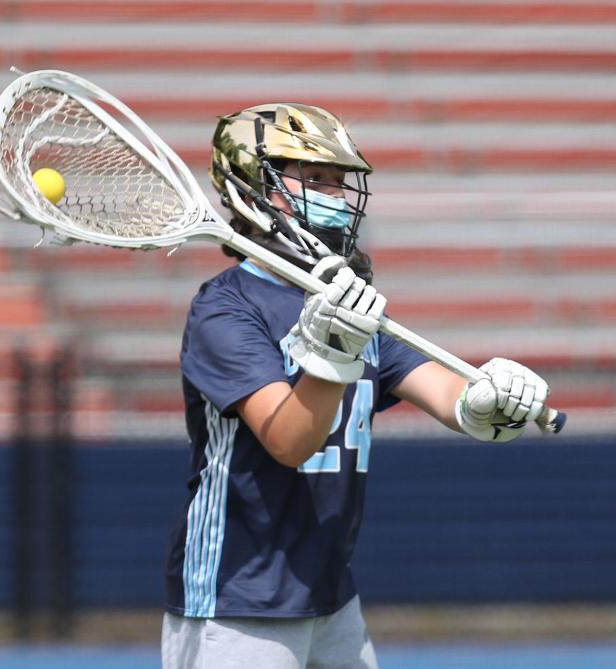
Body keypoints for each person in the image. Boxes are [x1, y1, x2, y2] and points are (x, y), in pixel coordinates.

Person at [161, 104, 551, 669]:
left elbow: (446, 396)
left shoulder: (344, 303)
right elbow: (290, 440)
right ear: (252, 189)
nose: (334, 195)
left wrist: (489, 402)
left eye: (339, 182)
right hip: (238, 595)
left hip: (329, 592)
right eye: (314, 179)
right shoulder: (225, 309)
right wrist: (331, 356)